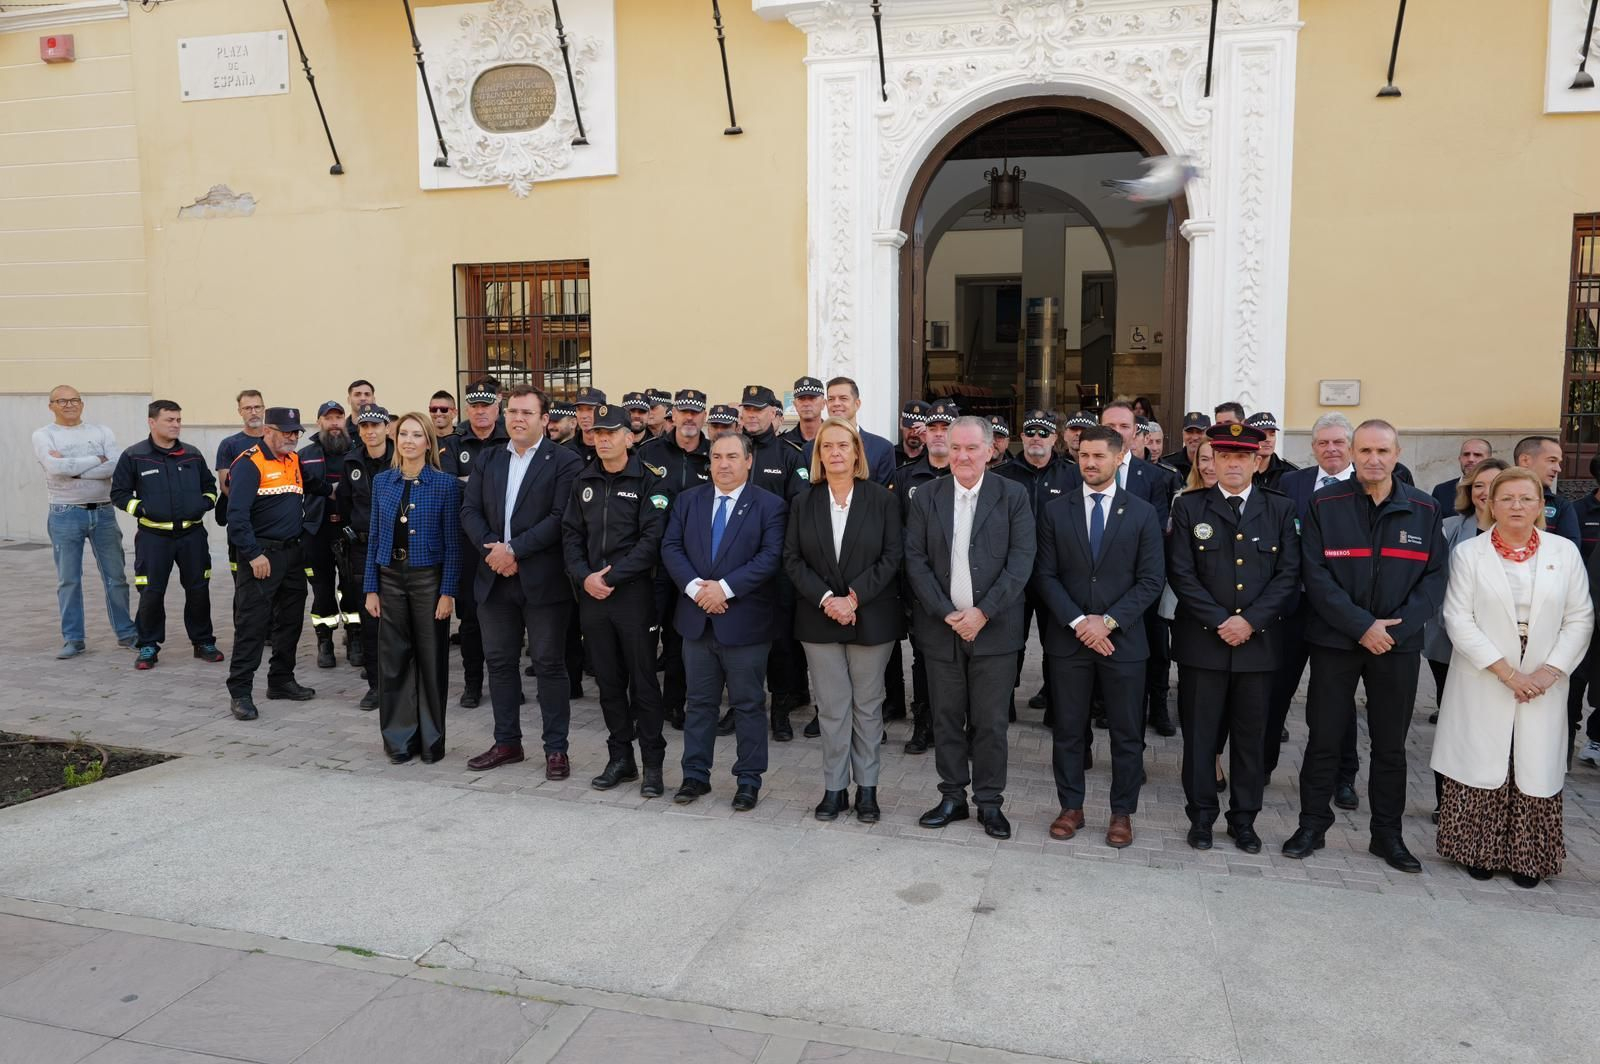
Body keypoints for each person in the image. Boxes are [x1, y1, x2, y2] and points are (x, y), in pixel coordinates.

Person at [1284, 419, 1447, 872]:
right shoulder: (1324, 504)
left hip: (1396, 645)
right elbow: (1314, 574)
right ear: (1353, 454)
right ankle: (1312, 825)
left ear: (1397, 455)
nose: (1374, 459)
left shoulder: (1425, 509)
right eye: (1366, 451)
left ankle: (1387, 835)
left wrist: (1391, 630)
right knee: (1323, 739)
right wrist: (1361, 626)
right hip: (1336, 641)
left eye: (1383, 451)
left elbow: (1435, 580)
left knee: (1390, 745)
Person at [1433, 467, 1593, 887]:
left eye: (1526, 498)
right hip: (1485, 674)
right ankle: (1476, 851)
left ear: (1542, 505)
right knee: (1485, 759)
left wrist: (1548, 671)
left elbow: (1580, 618)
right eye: (1507, 498)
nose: (1516, 506)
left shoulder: (1564, 553)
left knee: (1533, 762)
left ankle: (1529, 859)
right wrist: (1506, 671)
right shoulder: (1470, 553)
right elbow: (1457, 617)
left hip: (1543, 679)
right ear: (1489, 504)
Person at [1166, 423, 1300, 853]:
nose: (1233, 463)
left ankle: (1244, 820)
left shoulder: (1280, 509)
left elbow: (1288, 576)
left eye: (1242, 456)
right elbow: (1181, 574)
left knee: (1250, 741)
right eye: (1224, 456)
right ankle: (1201, 817)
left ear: (1257, 461)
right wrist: (1221, 621)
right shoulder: (1190, 507)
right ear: (1213, 461)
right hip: (1203, 644)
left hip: (1258, 647)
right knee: (1201, 739)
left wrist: (1250, 622)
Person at [1032, 425, 1164, 847]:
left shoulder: (1142, 512)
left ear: (1119, 457)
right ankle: (1071, 806)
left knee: (1127, 734)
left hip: (1123, 642)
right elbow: (1045, 575)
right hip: (1068, 642)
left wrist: (1105, 622)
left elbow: (1150, 580)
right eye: (1083, 456)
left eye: (1099, 457)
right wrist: (1079, 623)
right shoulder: (1055, 511)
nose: (1089, 463)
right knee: (1069, 730)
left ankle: (1122, 813)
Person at [904, 416, 1035, 840]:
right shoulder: (927, 496)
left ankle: (990, 802)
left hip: (994, 631)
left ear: (991, 450)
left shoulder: (1013, 495)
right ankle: (952, 796)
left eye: (971, 448)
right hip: (941, 630)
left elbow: (1021, 561)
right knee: (945, 717)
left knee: (991, 722)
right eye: (955, 448)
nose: (962, 456)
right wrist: (946, 612)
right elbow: (916, 561)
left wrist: (983, 612)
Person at [783, 418, 903, 821]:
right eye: (827, 446)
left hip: (871, 616)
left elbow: (892, 556)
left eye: (843, 445)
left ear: (857, 453)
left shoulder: (883, 500)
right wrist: (826, 599)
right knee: (833, 709)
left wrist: (853, 598)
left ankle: (867, 790)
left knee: (868, 708)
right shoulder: (804, 502)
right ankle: (834, 789)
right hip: (819, 619)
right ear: (818, 455)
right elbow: (792, 559)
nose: (835, 452)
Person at [461, 386, 584, 777]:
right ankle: (507, 742)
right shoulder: (489, 459)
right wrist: (494, 553)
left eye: (527, 413)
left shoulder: (565, 461)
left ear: (544, 419)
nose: (517, 419)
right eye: (512, 411)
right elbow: (470, 510)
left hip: (543, 581)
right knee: (499, 663)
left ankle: (556, 749)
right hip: (494, 578)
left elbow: (559, 517)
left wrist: (513, 550)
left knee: (549, 664)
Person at [661, 432, 788, 810]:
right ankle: (694, 776)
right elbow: (671, 547)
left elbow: (770, 557)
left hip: (745, 624)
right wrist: (698, 589)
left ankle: (748, 780)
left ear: (749, 461)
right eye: (717, 456)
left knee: (748, 705)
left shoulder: (770, 505)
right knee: (698, 703)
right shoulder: (688, 501)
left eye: (733, 456)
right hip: (697, 620)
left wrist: (726, 589)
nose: (724, 464)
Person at [562, 403, 671, 797]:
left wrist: (612, 576)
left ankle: (653, 765)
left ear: (629, 436)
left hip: (633, 596)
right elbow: (571, 535)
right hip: (593, 595)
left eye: (612, 432)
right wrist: (584, 576)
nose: (603, 439)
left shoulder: (649, 481)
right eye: (598, 433)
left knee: (643, 682)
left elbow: (651, 543)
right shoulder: (583, 480)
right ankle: (620, 758)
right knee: (608, 682)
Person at [1265, 413, 1364, 798]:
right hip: (1292, 608)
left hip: (1339, 611)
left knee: (1336, 697)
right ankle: (1262, 765)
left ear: (1351, 447)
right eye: (1323, 443)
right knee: (1275, 690)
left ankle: (1343, 777)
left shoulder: (1366, 486)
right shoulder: (1293, 483)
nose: (1331, 449)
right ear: (1313, 447)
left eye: (1338, 442)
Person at [1069, 400, 1177, 736]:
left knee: (1148, 659)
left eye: (1124, 427)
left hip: (1137, 594)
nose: (1116, 432)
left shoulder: (1158, 478)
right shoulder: (1081, 472)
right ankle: (1093, 713)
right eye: (1110, 426)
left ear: (1135, 433)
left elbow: (1156, 534)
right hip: (1088, 598)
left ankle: (1151, 711)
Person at [364, 412, 460, 764]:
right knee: (394, 661)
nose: (408, 440)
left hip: (427, 580)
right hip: (390, 577)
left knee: (431, 659)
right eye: (403, 434)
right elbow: (374, 537)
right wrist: (371, 588)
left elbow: (453, 543)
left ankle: (432, 740)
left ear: (428, 442)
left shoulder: (445, 484)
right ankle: (399, 740)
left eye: (417, 435)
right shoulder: (383, 482)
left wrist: (447, 591)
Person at [109, 400, 223, 670]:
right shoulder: (134, 456)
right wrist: (142, 508)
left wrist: (203, 503)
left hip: (192, 536)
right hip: (153, 539)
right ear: (152, 422)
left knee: (198, 590)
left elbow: (210, 487)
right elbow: (119, 494)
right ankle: (148, 645)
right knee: (150, 592)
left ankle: (203, 641)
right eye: (170, 420)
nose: (176, 425)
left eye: (178, 420)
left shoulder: (191, 454)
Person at [225, 407, 320, 720]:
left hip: (291, 555)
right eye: (286, 431)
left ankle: (281, 680)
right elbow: (235, 517)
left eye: (296, 432)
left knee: (290, 622)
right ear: (268, 430)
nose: (292, 438)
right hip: (262, 557)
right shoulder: (249, 463)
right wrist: (253, 554)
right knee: (252, 625)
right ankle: (240, 693)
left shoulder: (292, 460)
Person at [33, 384, 136, 658]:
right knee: (69, 579)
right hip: (65, 513)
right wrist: (95, 460)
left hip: (103, 512)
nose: (69, 405)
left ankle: (126, 633)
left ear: (82, 403)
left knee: (116, 577)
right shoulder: (43, 435)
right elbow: (55, 468)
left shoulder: (101, 431)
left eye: (74, 400)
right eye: (62, 401)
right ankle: (74, 639)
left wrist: (74, 469)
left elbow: (115, 465)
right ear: (51, 405)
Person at [886, 398, 959, 749]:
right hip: (919, 587)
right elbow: (897, 534)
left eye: (947, 428)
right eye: (933, 428)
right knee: (923, 657)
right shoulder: (905, 478)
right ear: (923, 433)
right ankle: (924, 723)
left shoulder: (969, 475)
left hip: (962, 586)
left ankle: (959, 726)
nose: (939, 435)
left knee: (963, 659)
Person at [737, 384, 809, 739]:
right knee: (739, 640)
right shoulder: (730, 451)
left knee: (780, 642)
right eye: (747, 409)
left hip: (776, 565)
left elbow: (799, 510)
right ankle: (741, 707)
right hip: (733, 564)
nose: (751, 415)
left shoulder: (790, 455)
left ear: (774, 413)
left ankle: (780, 708)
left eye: (758, 409)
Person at [639, 388, 713, 730]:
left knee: (680, 640)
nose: (689, 418)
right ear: (673, 414)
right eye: (684, 411)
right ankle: (642, 707)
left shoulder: (713, 456)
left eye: (696, 412)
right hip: (651, 563)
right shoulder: (648, 452)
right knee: (643, 637)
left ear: (703, 417)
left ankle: (674, 704)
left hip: (693, 565)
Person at [996, 410, 1072, 722]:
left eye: (1044, 432)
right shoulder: (1003, 475)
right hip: (1013, 575)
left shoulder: (1072, 475)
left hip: (1055, 575)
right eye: (1030, 432)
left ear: (1056, 437)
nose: (1036, 438)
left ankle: (1055, 704)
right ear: (1021, 437)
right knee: (1010, 642)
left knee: (1056, 643)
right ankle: (1004, 703)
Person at [441, 378, 509, 708]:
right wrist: (489, 485)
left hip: (505, 544)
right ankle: (472, 684)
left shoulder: (510, 441)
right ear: (467, 409)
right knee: (470, 618)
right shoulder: (453, 444)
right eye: (475, 407)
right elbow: (451, 487)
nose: (481, 412)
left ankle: (507, 683)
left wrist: (473, 483)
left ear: (497, 408)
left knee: (508, 617)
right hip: (467, 543)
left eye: (487, 406)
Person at [1423, 458, 1508, 723]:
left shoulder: (1523, 533)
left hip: (1504, 642)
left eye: (1493, 485)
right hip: (1448, 638)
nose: (1484, 492)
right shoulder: (1448, 528)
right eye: (1477, 486)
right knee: (1454, 714)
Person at [340, 405, 394, 710]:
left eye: (375, 426)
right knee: (370, 620)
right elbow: (344, 506)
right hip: (362, 550)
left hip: (397, 549)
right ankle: (376, 686)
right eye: (364, 427)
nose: (370, 432)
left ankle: (402, 679)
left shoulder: (401, 459)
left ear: (387, 428)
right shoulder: (352, 462)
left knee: (399, 619)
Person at [300, 401, 362, 670]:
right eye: (329, 418)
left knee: (352, 590)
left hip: (349, 531)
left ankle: (356, 638)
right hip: (316, 531)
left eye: (339, 417)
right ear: (319, 423)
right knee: (322, 591)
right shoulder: (304, 455)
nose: (335, 423)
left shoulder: (357, 452)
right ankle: (324, 641)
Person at [816, 377, 896, 484]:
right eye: (831, 399)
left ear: (857, 404)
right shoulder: (811, 448)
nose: (836, 403)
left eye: (843, 398)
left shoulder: (882, 449)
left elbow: (884, 497)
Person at [1513, 435, 1582, 545]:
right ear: (1525, 460)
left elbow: (1570, 551)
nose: (1558, 469)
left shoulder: (1561, 506)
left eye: (1558, 462)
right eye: (1552, 460)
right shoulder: (1494, 498)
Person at [1431, 438, 1493, 513]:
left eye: (1477, 455)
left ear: (1490, 460)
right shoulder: (1441, 491)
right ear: (1459, 459)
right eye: (1466, 454)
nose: (1470, 459)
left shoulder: (1498, 488)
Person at [1243, 411, 1296, 490]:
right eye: (1262, 435)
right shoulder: (1240, 470)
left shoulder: (1289, 473)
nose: (1268, 440)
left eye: (1272, 435)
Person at [779, 376, 827, 448]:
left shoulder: (834, 439)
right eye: (801, 399)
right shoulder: (783, 443)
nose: (806, 404)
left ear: (823, 403)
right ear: (795, 404)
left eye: (812, 398)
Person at [567, 386, 605, 464]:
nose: (584, 416)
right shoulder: (566, 449)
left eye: (590, 409)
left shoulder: (611, 448)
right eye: (580, 409)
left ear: (602, 412)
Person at [1167, 411, 1210, 480]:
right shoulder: (1169, 464)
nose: (1195, 437)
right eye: (1189, 432)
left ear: (1208, 434)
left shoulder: (1217, 464)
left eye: (1199, 432)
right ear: (1183, 434)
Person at [895, 400, 929, 467]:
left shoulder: (933, 457)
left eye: (918, 428)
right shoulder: (891, 455)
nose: (913, 433)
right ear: (901, 423)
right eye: (909, 427)